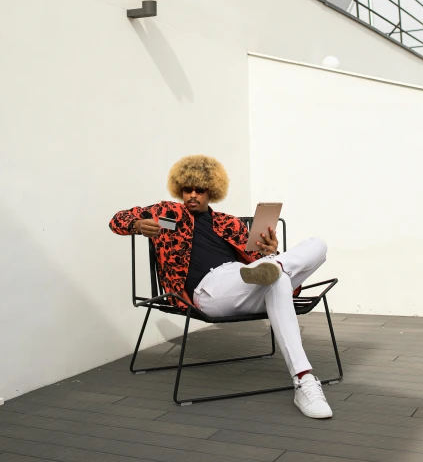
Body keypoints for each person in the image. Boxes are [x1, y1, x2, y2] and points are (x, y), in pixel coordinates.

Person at [109, 154, 332, 419]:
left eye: (200, 190)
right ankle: (304, 378)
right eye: (187, 189)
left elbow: (255, 264)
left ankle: (303, 378)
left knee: (317, 246)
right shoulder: (167, 214)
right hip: (210, 290)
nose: (193, 195)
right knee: (275, 277)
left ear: (211, 191)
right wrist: (137, 224)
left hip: (243, 279)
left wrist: (270, 252)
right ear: (179, 188)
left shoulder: (229, 223)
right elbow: (117, 219)